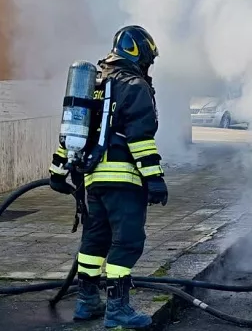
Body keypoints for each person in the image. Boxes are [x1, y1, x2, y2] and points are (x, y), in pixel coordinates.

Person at [49, 25, 169, 329]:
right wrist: (154, 178)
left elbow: (73, 129)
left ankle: (86, 302)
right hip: (123, 181)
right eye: (147, 60)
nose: (148, 66)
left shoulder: (93, 82)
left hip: (92, 180)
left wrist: (58, 170)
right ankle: (118, 310)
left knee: (95, 240)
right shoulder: (135, 85)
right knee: (127, 242)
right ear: (137, 53)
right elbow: (140, 138)